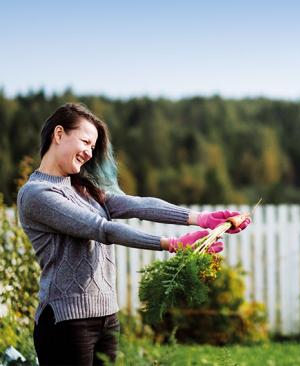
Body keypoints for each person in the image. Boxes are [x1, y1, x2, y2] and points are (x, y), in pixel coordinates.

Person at [16, 103, 250, 366]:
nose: (89, 153)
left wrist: (201, 219)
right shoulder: (37, 194)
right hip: (66, 321)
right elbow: (102, 229)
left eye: (93, 147)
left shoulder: (84, 190)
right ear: (58, 134)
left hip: (106, 315)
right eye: (85, 142)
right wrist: (172, 244)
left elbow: (137, 205)